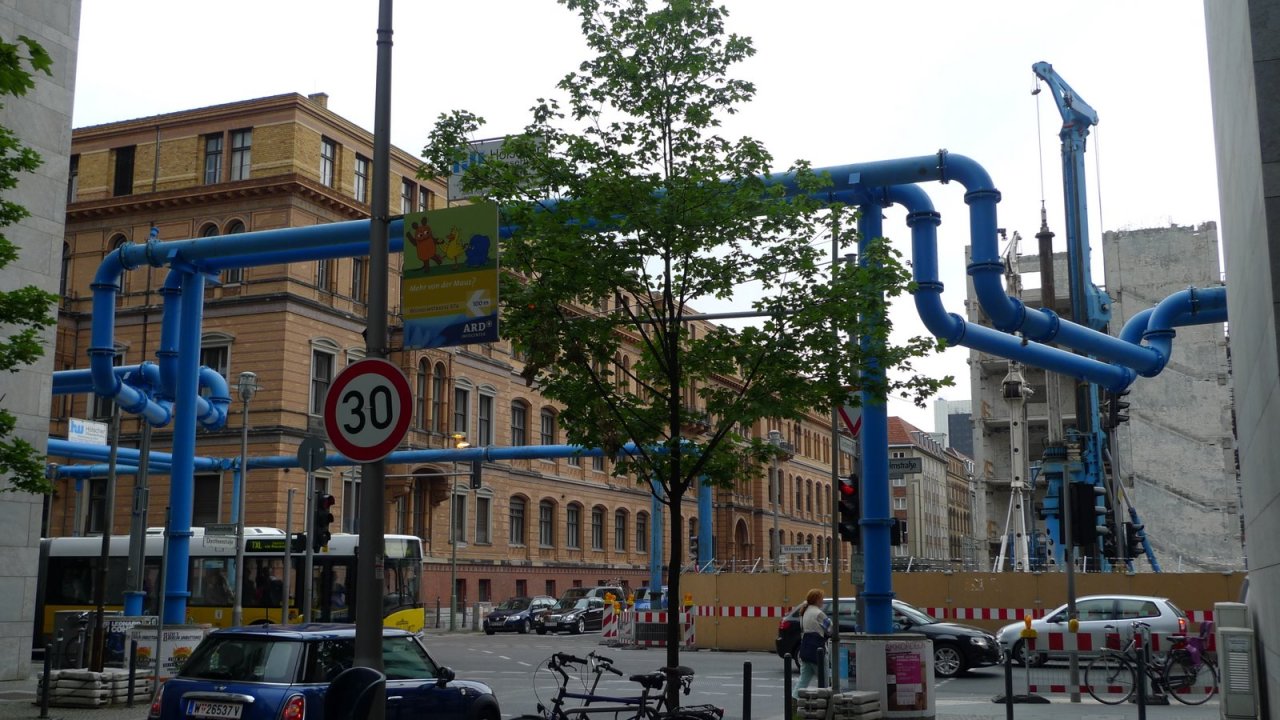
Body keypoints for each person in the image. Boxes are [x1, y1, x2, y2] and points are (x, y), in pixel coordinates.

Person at [793, 588, 831, 698]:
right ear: (817, 599)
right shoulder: (819, 613)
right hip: (817, 650)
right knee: (824, 680)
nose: (823, 601)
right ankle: (824, 702)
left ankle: (794, 700)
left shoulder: (804, 612)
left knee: (803, 680)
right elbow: (831, 628)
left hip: (806, 649)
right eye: (822, 598)